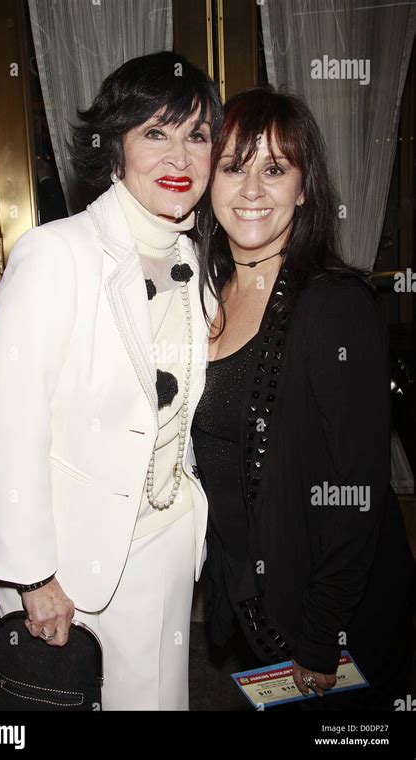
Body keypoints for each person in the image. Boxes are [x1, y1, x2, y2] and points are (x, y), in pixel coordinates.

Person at [0, 51, 222, 711]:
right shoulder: (56, 253)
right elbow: (13, 424)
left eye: (196, 135)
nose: (180, 158)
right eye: (155, 133)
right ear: (114, 148)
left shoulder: (198, 259)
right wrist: (32, 576)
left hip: (162, 539)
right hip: (63, 550)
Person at [192, 86, 415, 710]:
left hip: (330, 618)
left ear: (304, 186)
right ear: (211, 181)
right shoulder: (201, 295)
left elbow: (358, 488)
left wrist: (323, 634)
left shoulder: (335, 305)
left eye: (275, 169)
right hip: (252, 601)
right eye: (234, 168)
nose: (252, 190)